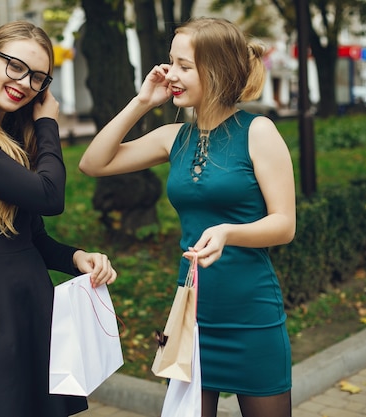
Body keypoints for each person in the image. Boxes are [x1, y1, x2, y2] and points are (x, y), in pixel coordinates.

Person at [79, 17, 295, 417]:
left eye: (183, 66)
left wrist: (229, 232)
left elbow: (284, 224)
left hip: (250, 313)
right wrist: (142, 101)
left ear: (216, 71)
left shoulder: (258, 132)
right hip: (190, 314)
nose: (169, 75)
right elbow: (93, 163)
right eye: (170, 62)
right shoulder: (173, 137)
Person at [0, 21, 117, 417]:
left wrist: (77, 258)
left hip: (31, 303)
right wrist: (48, 124)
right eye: (16, 67)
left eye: (38, 77)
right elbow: (49, 195)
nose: (25, 83)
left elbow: (31, 238)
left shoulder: (9, 138)